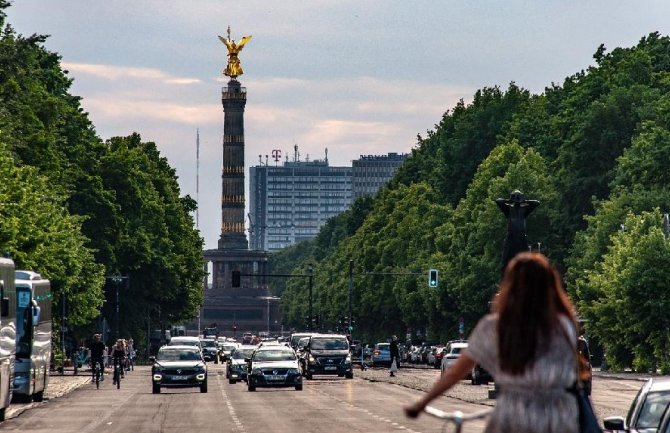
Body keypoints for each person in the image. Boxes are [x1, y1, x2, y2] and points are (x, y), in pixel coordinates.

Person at [404, 252, 580, 433]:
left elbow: (455, 373)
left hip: (513, 418)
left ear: (510, 286)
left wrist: (422, 403)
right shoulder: (565, 325)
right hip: (560, 418)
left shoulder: (495, 327)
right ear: (550, 285)